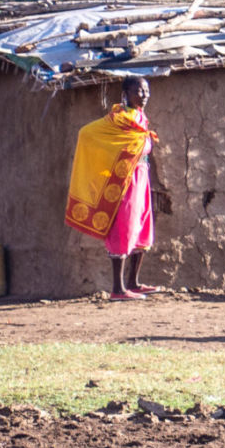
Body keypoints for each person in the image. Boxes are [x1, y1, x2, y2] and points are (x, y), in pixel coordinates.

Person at [64, 76, 172, 300]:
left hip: (141, 177)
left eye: (146, 91)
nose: (144, 95)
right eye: (139, 91)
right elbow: (86, 133)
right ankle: (118, 288)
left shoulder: (139, 118)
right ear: (126, 94)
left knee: (141, 225)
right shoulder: (118, 119)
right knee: (123, 226)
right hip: (124, 182)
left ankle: (134, 282)